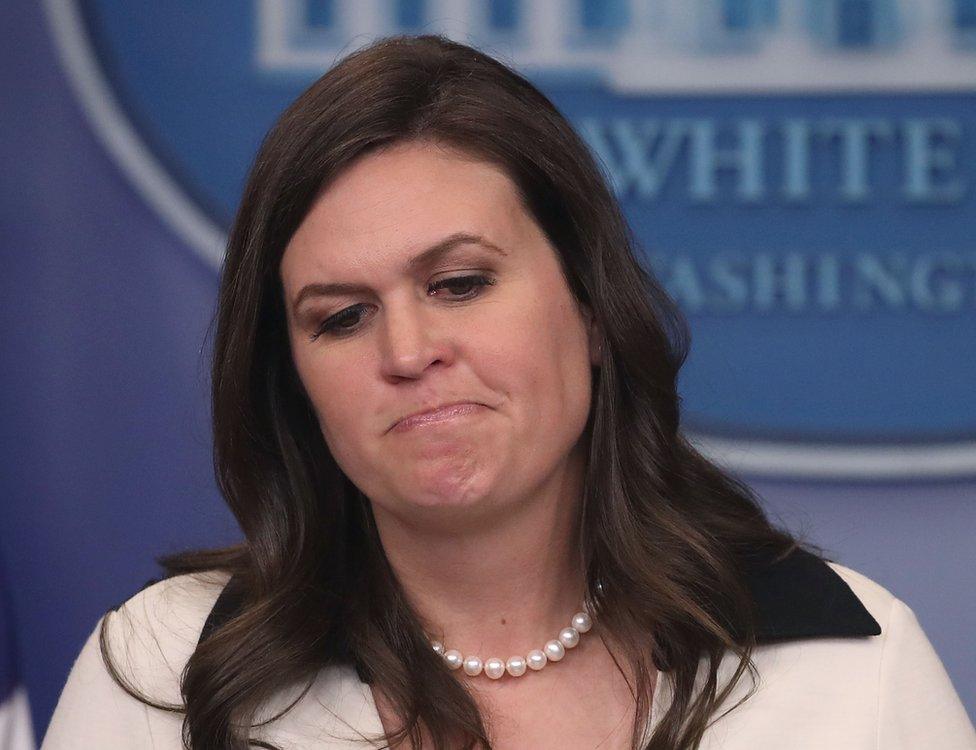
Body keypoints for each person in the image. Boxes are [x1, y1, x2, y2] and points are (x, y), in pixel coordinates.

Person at [42, 34, 974, 750]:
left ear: (594, 311)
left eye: (460, 285)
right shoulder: (165, 676)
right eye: (342, 317)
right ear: (292, 381)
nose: (409, 351)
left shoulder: (847, 666)